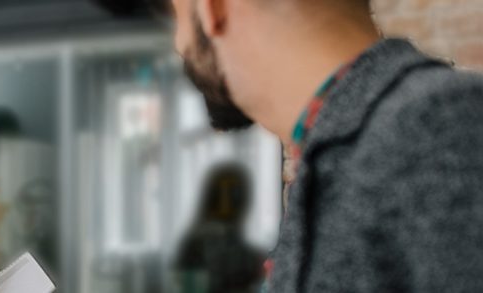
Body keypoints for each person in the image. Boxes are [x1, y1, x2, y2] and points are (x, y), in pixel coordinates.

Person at [168, 0, 483, 291]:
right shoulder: (333, 164)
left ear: (214, 9)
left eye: (177, 14)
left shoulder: (438, 124)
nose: (178, 44)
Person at [173, 163, 264, 293]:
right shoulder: (195, 243)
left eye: (233, 194)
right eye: (221, 193)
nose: (227, 202)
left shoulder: (242, 244)